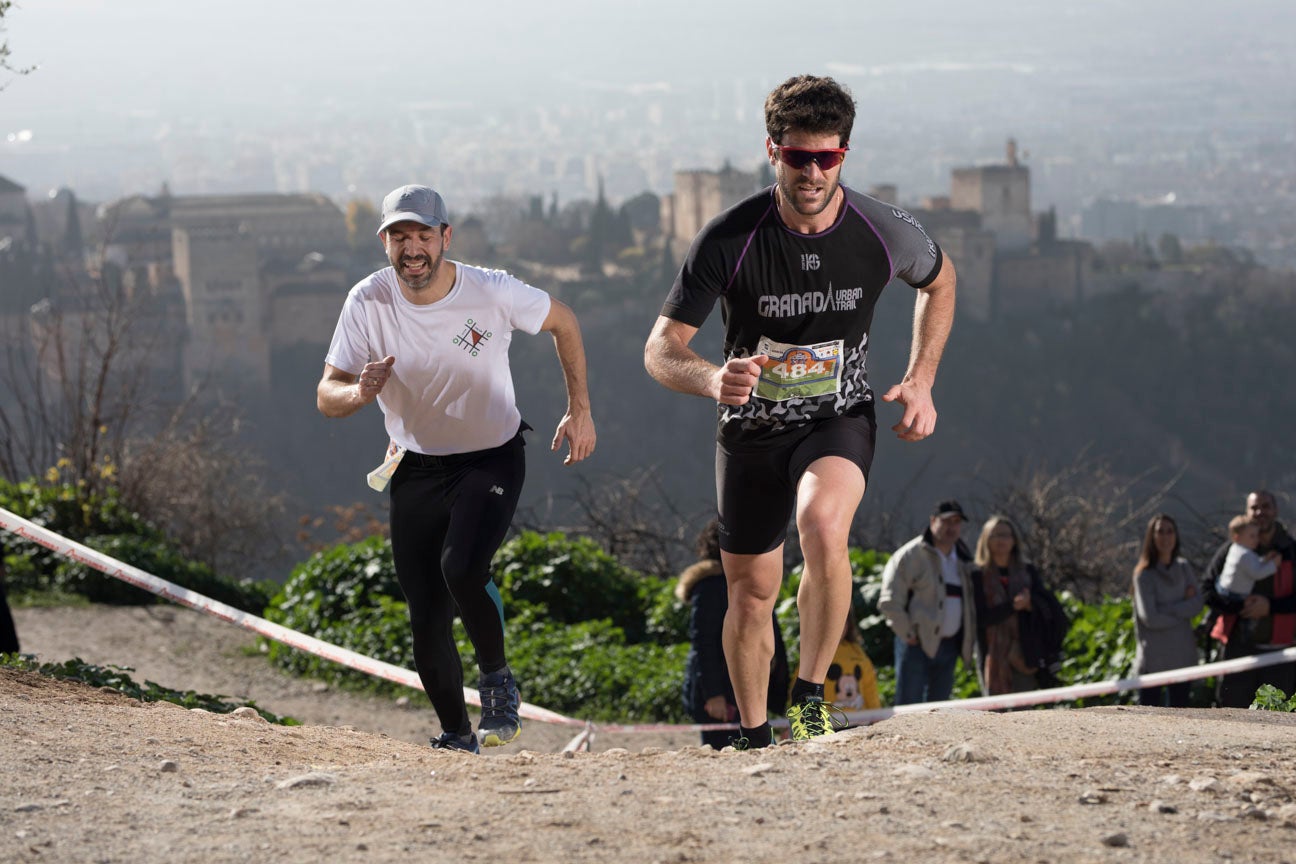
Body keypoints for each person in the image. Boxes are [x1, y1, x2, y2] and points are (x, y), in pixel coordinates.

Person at [643, 75, 956, 748]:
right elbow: (661, 349)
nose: (812, 172)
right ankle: (756, 735)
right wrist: (710, 379)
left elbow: (941, 279)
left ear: (844, 154)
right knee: (752, 594)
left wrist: (921, 379)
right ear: (772, 152)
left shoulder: (879, 228)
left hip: (836, 420)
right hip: (751, 432)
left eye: (827, 158)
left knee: (821, 523)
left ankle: (810, 694)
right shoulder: (730, 238)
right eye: (797, 157)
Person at [317, 184, 596, 753]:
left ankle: (497, 684)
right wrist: (360, 393)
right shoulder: (367, 300)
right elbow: (327, 393)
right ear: (385, 242)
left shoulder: (490, 291)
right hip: (414, 466)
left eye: (422, 235)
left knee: (463, 568)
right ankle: (455, 735)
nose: (411, 248)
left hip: (491, 455)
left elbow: (564, 322)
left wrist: (580, 410)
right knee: (426, 615)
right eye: (399, 237)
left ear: (446, 238)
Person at [676, 519, 789, 749]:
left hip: (750, 684)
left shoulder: (752, 580)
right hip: (721, 698)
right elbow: (703, 643)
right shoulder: (710, 586)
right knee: (725, 753)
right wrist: (714, 695)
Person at [1202, 490, 1296, 708]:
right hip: (1237, 648)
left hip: (1280, 651)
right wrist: (1239, 606)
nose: (1260, 512)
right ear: (1246, 513)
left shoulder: (1291, 551)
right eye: (1254, 507)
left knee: (1277, 717)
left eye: (1265, 506)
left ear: (1275, 511)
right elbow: (1206, 588)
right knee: (1231, 711)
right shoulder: (1231, 551)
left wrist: (1270, 607)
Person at [878, 501, 977, 705]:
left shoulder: (965, 559)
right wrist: (908, 634)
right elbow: (889, 600)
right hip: (915, 645)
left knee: (940, 712)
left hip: (950, 646)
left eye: (957, 522)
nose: (952, 527)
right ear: (932, 521)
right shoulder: (909, 555)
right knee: (909, 709)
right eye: (946, 521)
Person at [1131, 514, 1203, 708]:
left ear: (1176, 535)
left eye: (1169, 531)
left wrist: (1166, 609)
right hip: (1154, 660)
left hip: (1182, 657)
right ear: (1151, 537)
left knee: (1180, 714)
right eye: (1160, 532)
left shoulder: (1184, 567)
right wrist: (1182, 608)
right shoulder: (1143, 575)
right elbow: (1150, 618)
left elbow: (1197, 604)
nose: (1165, 537)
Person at [971, 515, 1043, 696]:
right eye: (995, 535)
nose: (1001, 540)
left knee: (1025, 711)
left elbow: (1046, 605)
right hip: (991, 653)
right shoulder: (977, 575)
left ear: (1014, 540)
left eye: (1005, 535)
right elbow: (980, 617)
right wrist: (1013, 606)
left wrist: (1029, 604)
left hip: (1024, 650)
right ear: (986, 540)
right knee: (994, 713)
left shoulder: (1028, 572)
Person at [1211, 514, 1279, 644]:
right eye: (1252, 536)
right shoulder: (1244, 554)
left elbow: (1253, 563)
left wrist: (1264, 560)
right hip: (1236, 595)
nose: (1256, 540)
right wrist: (1273, 565)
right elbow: (1256, 572)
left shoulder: (1236, 549)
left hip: (1222, 587)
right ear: (1237, 537)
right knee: (1246, 615)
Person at [823, 602, 881, 715]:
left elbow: (870, 688)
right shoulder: (814, 653)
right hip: (827, 725)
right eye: (833, 621)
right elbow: (801, 690)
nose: (838, 626)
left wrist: (877, 713)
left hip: (860, 722)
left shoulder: (857, 652)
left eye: (843, 621)